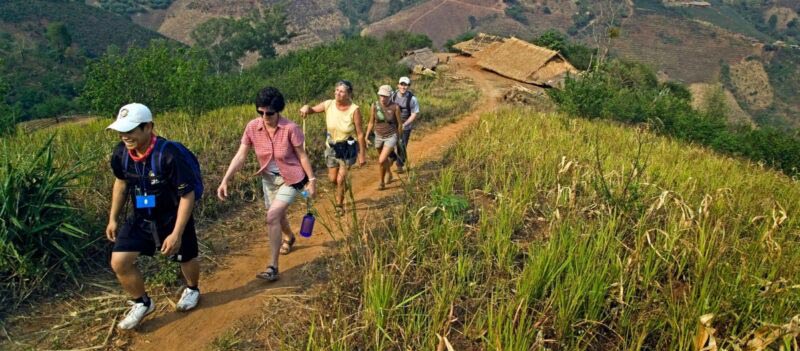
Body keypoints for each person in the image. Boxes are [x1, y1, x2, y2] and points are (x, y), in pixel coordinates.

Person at [105, 103, 201, 330]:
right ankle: (142, 302)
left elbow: (187, 195)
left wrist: (176, 233)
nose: (125, 136)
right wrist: (113, 218)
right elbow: (121, 182)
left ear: (148, 127)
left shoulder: (168, 154)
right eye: (122, 131)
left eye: (130, 131)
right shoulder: (121, 153)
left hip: (172, 215)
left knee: (186, 257)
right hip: (141, 216)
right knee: (119, 262)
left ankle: (192, 288)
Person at [217, 87, 316, 282]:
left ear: (278, 110)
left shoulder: (290, 128)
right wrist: (225, 179)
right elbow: (241, 155)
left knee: (271, 216)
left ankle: (273, 267)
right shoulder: (253, 127)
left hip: (292, 179)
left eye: (269, 113)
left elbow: (302, 155)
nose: (264, 116)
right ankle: (289, 237)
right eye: (260, 112)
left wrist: (311, 181)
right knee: (278, 217)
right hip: (268, 180)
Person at [299, 80, 366, 216]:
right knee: (332, 179)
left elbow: (360, 134)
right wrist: (306, 107)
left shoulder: (354, 110)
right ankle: (343, 187)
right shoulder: (328, 104)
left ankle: (339, 205)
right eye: (336, 90)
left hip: (347, 148)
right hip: (331, 147)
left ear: (348, 94)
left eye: (341, 91)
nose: (338, 93)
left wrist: (362, 155)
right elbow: (312, 110)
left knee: (340, 179)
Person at [365, 85, 402, 190]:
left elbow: (400, 124)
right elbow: (371, 122)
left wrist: (398, 138)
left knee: (381, 160)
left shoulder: (395, 107)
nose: (382, 98)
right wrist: (366, 136)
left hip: (391, 135)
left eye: (385, 96)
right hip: (378, 135)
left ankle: (381, 182)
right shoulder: (374, 106)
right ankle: (389, 173)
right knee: (384, 159)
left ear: (390, 96)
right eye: (381, 95)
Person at [390, 76, 420, 173]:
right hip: (393, 124)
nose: (403, 87)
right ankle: (394, 157)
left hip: (405, 125)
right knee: (389, 143)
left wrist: (404, 124)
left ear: (408, 86)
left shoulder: (412, 99)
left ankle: (400, 165)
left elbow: (414, 114)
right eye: (401, 84)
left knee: (401, 145)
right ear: (398, 85)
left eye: (405, 85)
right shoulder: (392, 95)